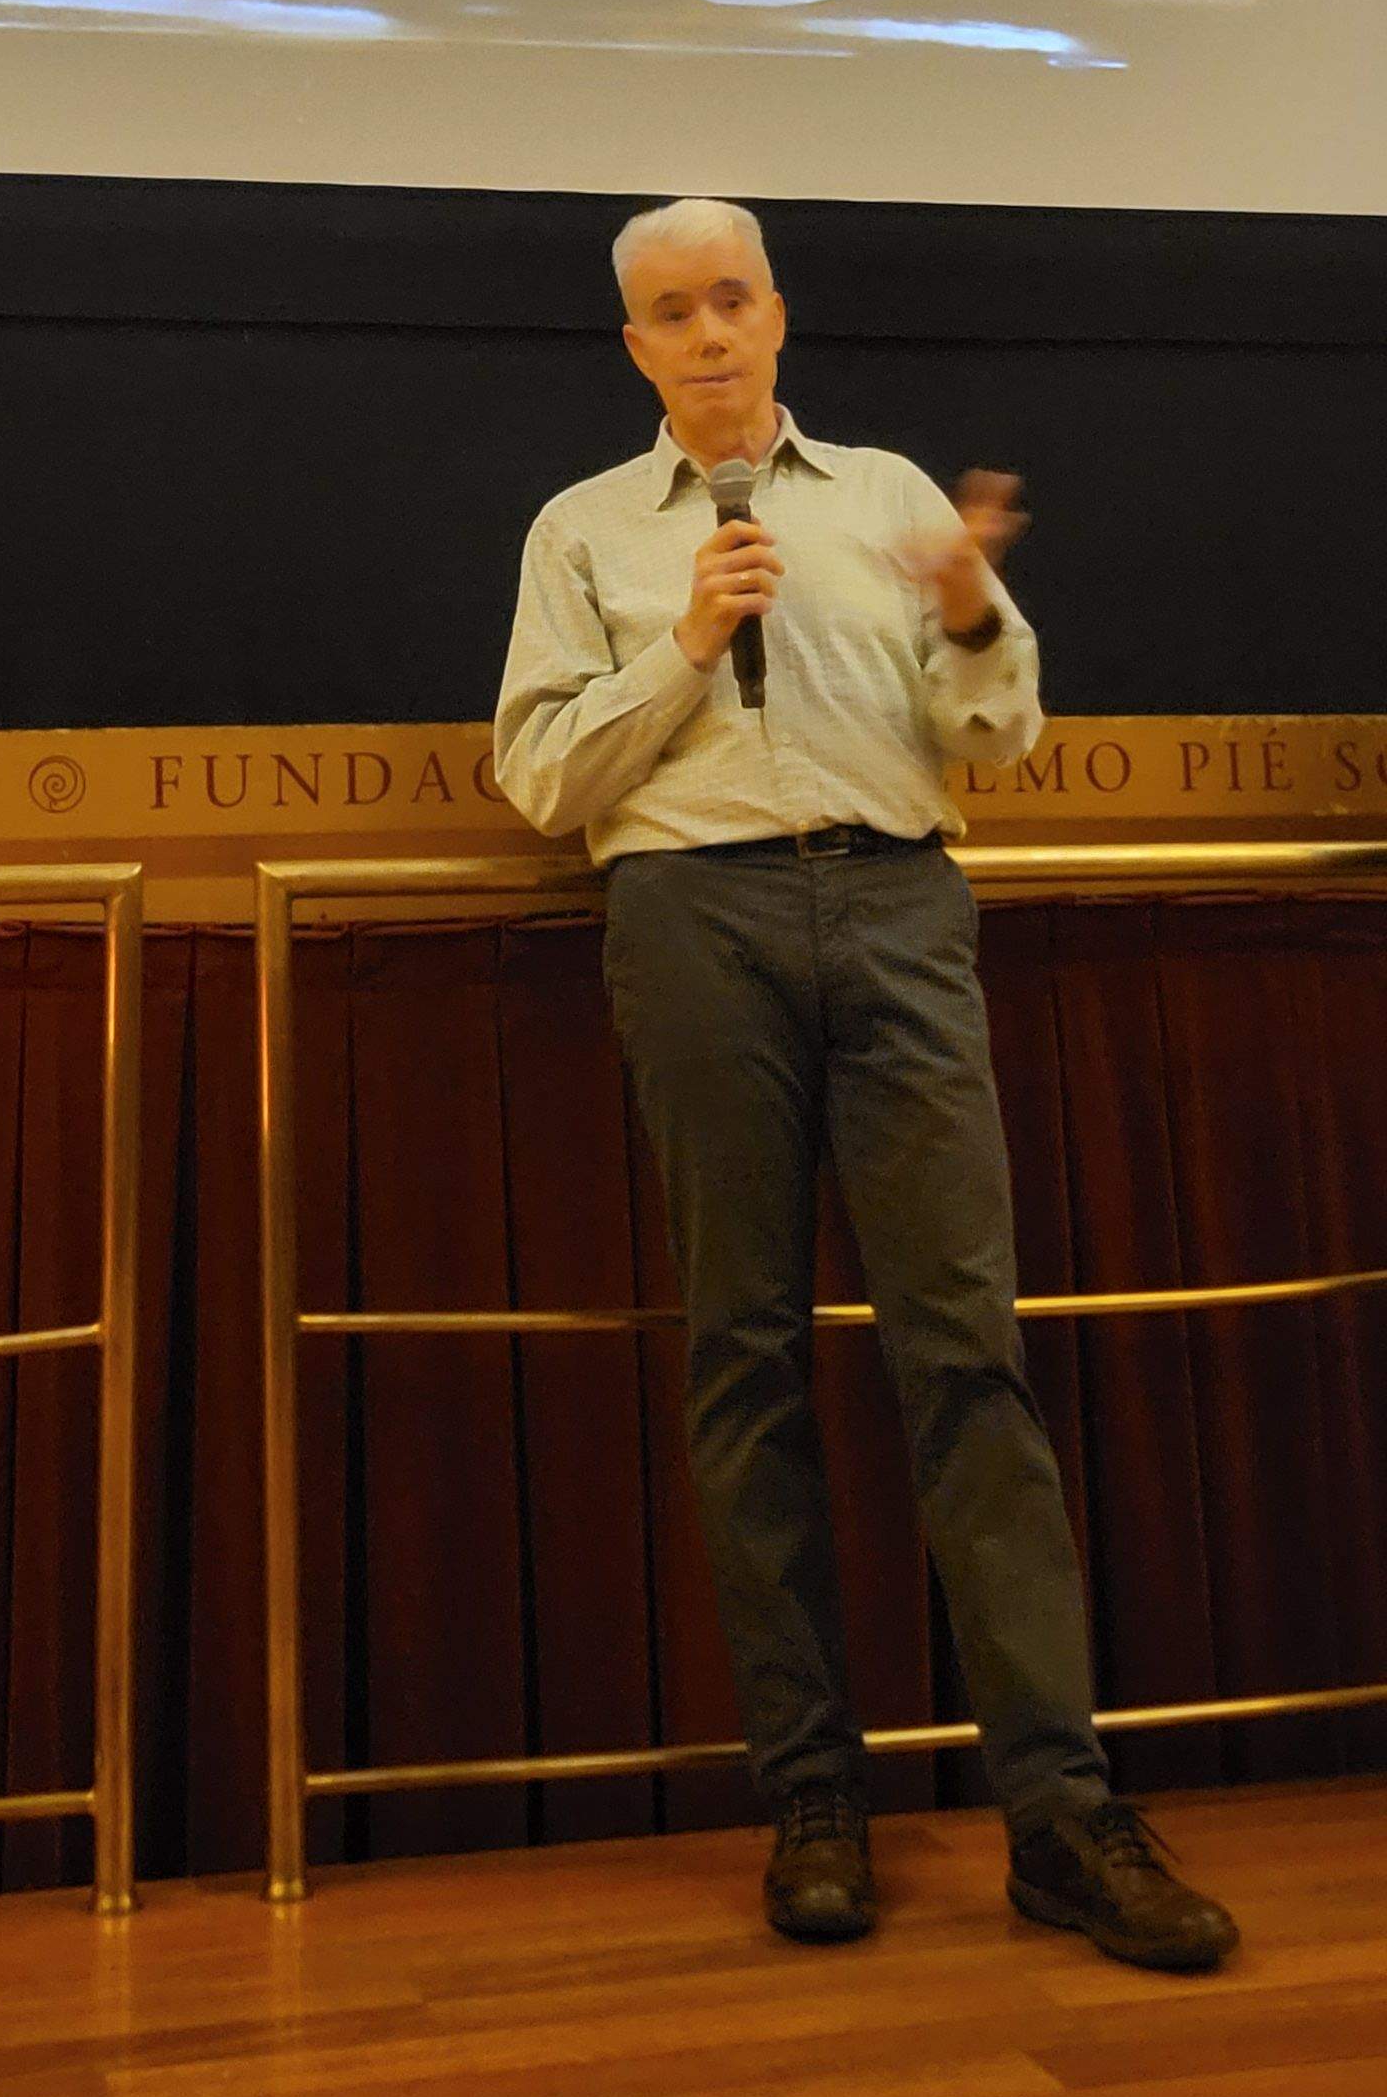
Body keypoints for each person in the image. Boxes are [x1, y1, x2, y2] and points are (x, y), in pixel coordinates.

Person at [493, 195, 1236, 1975]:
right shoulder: (582, 531)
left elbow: (1000, 734)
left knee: (965, 1351)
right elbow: (536, 778)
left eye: (729, 298)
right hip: (690, 918)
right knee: (743, 1355)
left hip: (900, 905)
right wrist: (680, 645)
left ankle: (1061, 1815)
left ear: (777, 312)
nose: (707, 335)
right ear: (634, 349)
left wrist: (975, 616)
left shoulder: (892, 495)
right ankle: (811, 1798)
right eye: (668, 313)